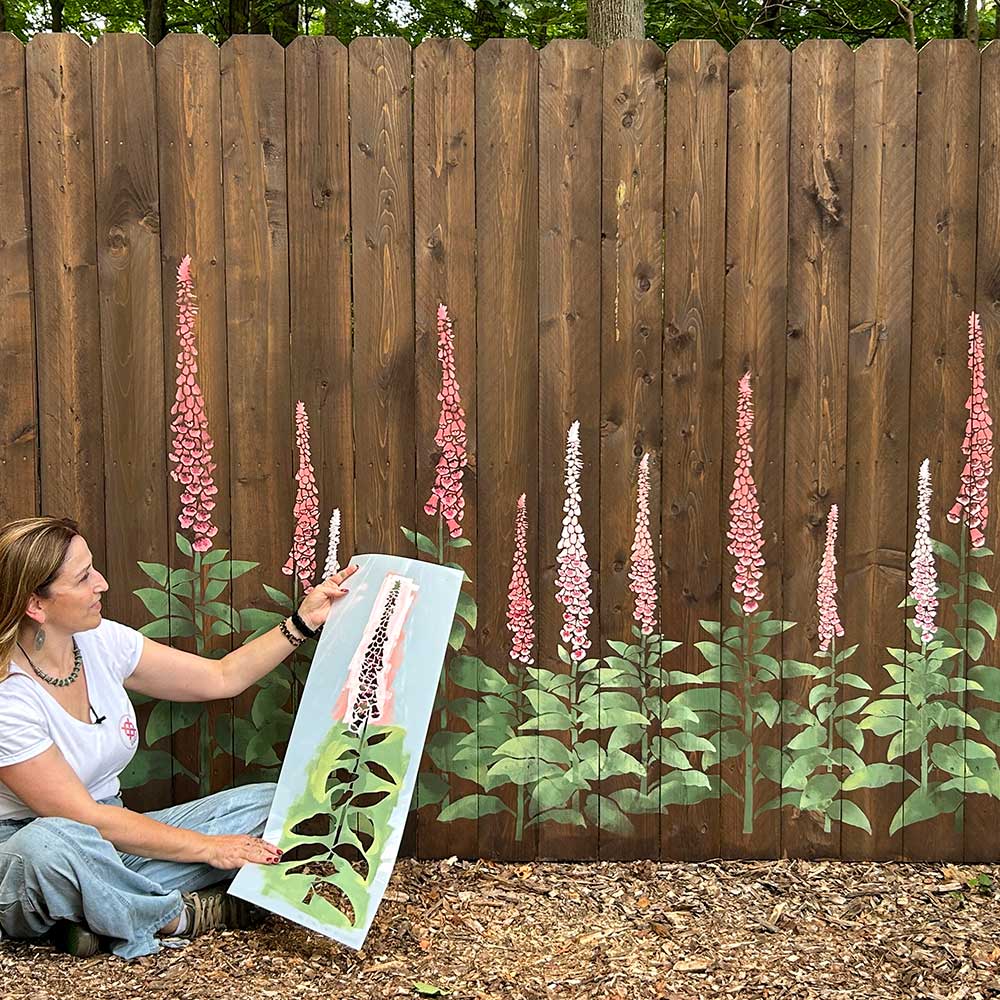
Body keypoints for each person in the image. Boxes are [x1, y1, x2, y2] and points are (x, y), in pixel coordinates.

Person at [0, 516, 357, 960]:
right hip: (27, 857)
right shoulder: (7, 699)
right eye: (84, 577)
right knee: (50, 846)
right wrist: (210, 848)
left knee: (271, 805)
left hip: (116, 843)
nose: (103, 583)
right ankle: (177, 916)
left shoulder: (99, 641)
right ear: (37, 604)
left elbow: (219, 677)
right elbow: (83, 818)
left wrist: (303, 622)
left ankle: (97, 914)